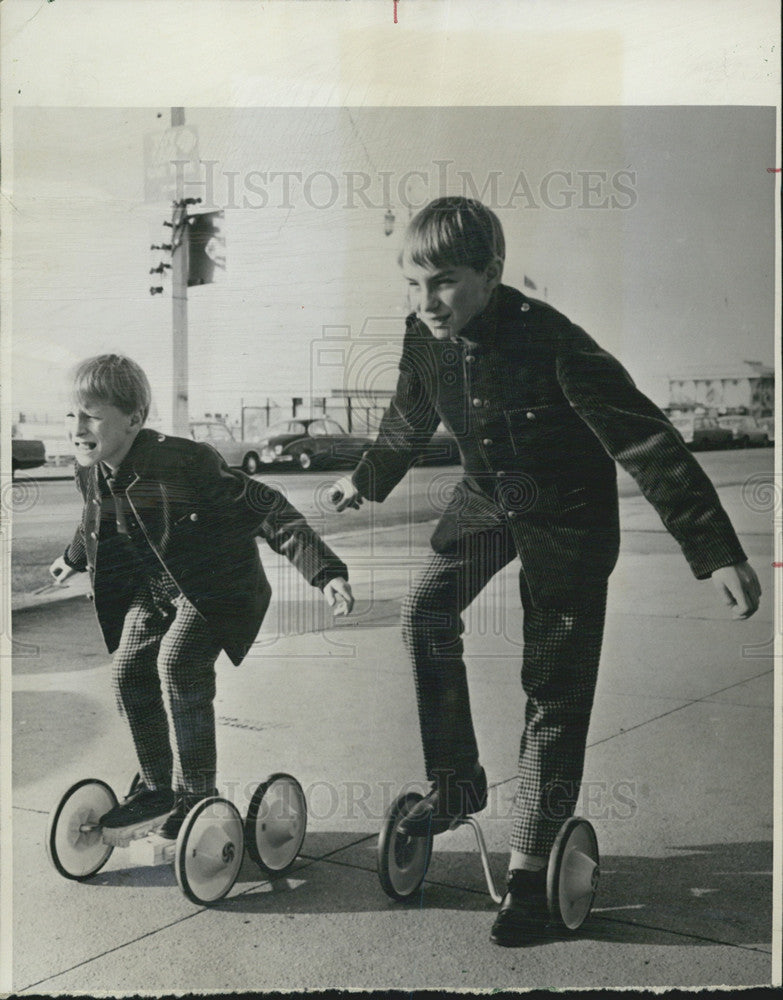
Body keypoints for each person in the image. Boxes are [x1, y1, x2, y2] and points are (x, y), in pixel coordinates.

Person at [330, 196, 761, 946]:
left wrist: (715, 550)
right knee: (423, 614)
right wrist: (364, 481)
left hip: (566, 515)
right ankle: (455, 782)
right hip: (484, 501)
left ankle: (530, 864)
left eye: (444, 283)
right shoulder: (421, 336)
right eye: (412, 284)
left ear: (492, 274)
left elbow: (645, 441)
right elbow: (407, 418)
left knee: (552, 686)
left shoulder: (552, 340)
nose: (425, 303)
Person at [50, 354, 354, 842]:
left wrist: (325, 572)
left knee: (178, 662)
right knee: (128, 667)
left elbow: (265, 505)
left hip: (217, 585)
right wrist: (73, 558)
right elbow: (93, 521)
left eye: (90, 414)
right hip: (154, 588)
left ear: (134, 419)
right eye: (71, 414)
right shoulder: (90, 471)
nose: (76, 427)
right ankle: (156, 787)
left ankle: (195, 794)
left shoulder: (184, 462)